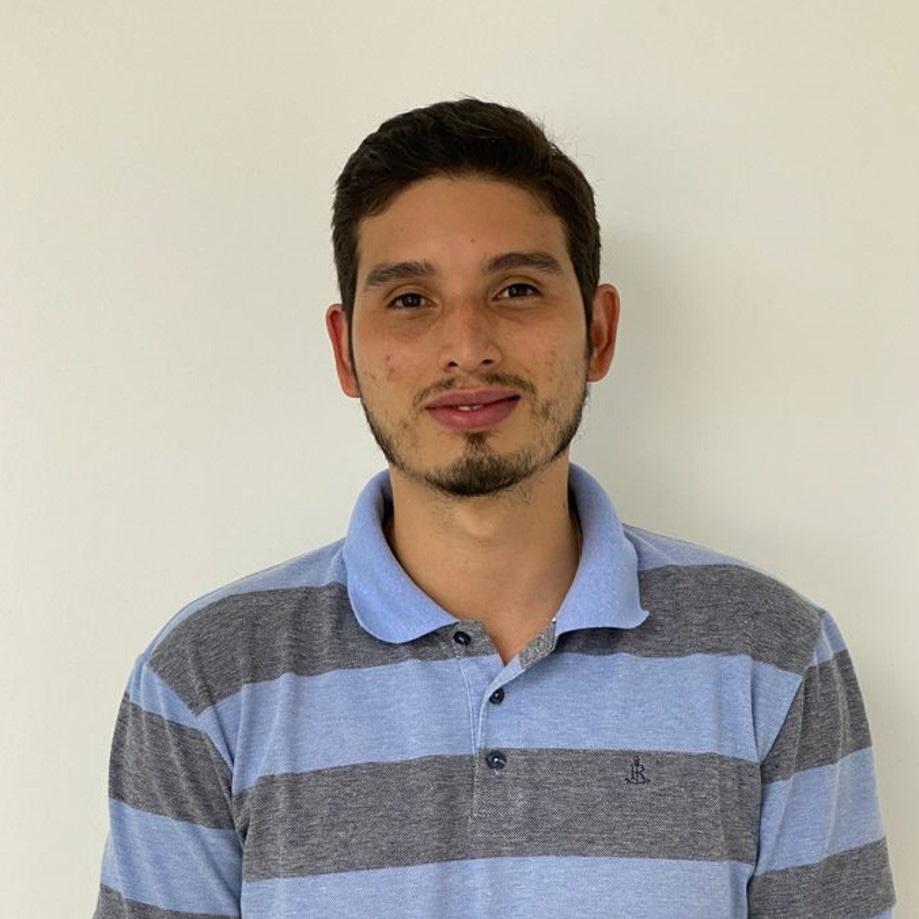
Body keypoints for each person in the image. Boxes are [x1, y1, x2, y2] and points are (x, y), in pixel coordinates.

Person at [93, 97, 896, 918]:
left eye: (515, 289)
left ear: (598, 331)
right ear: (345, 350)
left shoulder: (772, 657)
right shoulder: (206, 681)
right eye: (410, 299)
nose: (467, 346)